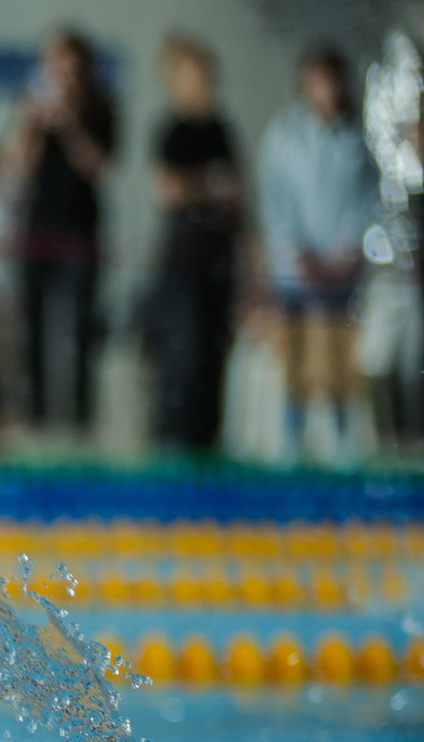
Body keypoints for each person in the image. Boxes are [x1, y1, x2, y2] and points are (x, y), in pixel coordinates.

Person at [256, 45, 372, 466]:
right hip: (297, 268)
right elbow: (274, 200)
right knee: (298, 353)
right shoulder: (283, 135)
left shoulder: (355, 137)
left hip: (341, 268)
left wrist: (344, 251)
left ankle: (343, 437)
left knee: (340, 354)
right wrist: (298, 252)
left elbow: (364, 200)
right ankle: (293, 434)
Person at [3, 28, 116, 432]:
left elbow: (99, 168)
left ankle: (81, 415)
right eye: (53, 61)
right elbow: (17, 169)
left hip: (81, 226)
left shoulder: (101, 107)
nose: (61, 70)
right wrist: (33, 126)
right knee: (32, 321)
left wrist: (69, 125)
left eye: (68, 61)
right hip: (37, 226)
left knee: (81, 322)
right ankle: (35, 414)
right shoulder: (31, 105)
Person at [144, 34, 241, 453]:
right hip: (185, 252)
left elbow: (237, 192)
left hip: (219, 250)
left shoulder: (221, 130)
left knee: (214, 348)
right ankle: (173, 437)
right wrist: (209, 187)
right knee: (183, 351)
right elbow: (169, 191)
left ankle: (208, 438)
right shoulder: (173, 131)